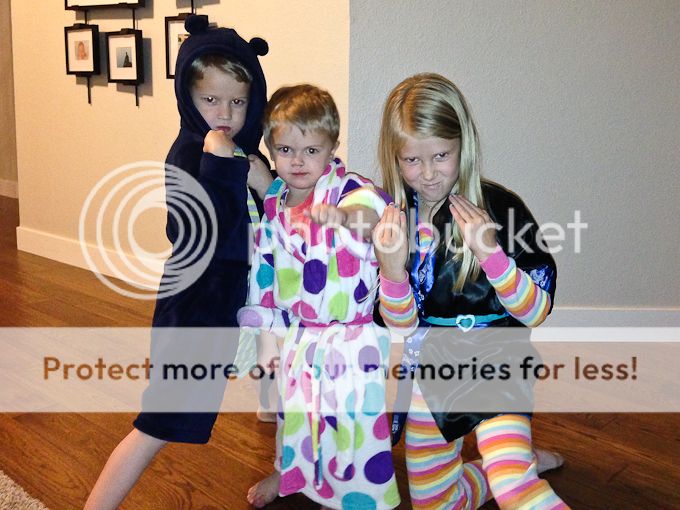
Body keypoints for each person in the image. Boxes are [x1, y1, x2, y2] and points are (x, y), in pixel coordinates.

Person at [84, 15, 272, 509]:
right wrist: (220, 165)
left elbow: (274, 215)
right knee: (160, 421)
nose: (224, 113)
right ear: (188, 98)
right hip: (200, 305)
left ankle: (282, 449)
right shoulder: (190, 155)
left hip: (255, 295)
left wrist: (265, 181)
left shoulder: (246, 152)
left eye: (238, 102)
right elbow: (197, 230)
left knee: (287, 370)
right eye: (210, 100)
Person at [376, 73, 570, 509]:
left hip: (496, 362)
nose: (428, 174)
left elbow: (536, 310)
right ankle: (517, 464)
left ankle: (514, 470)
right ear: (395, 156)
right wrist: (391, 269)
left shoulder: (501, 207)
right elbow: (402, 325)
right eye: (412, 160)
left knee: (516, 491)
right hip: (431, 370)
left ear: (462, 144)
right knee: (436, 503)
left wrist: (491, 254)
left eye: (441, 156)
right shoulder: (393, 219)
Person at [237, 84, 407, 509]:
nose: (298, 161)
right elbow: (267, 264)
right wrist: (267, 334)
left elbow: (374, 215)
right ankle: (289, 471)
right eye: (286, 150)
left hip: (351, 336)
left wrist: (344, 217)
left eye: (311, 151)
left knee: (351, 418)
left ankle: (359, 490)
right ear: (271, 149)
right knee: (295, 413)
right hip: (301, 333)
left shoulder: (349, 189)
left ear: (332, 147)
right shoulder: (277, 202)